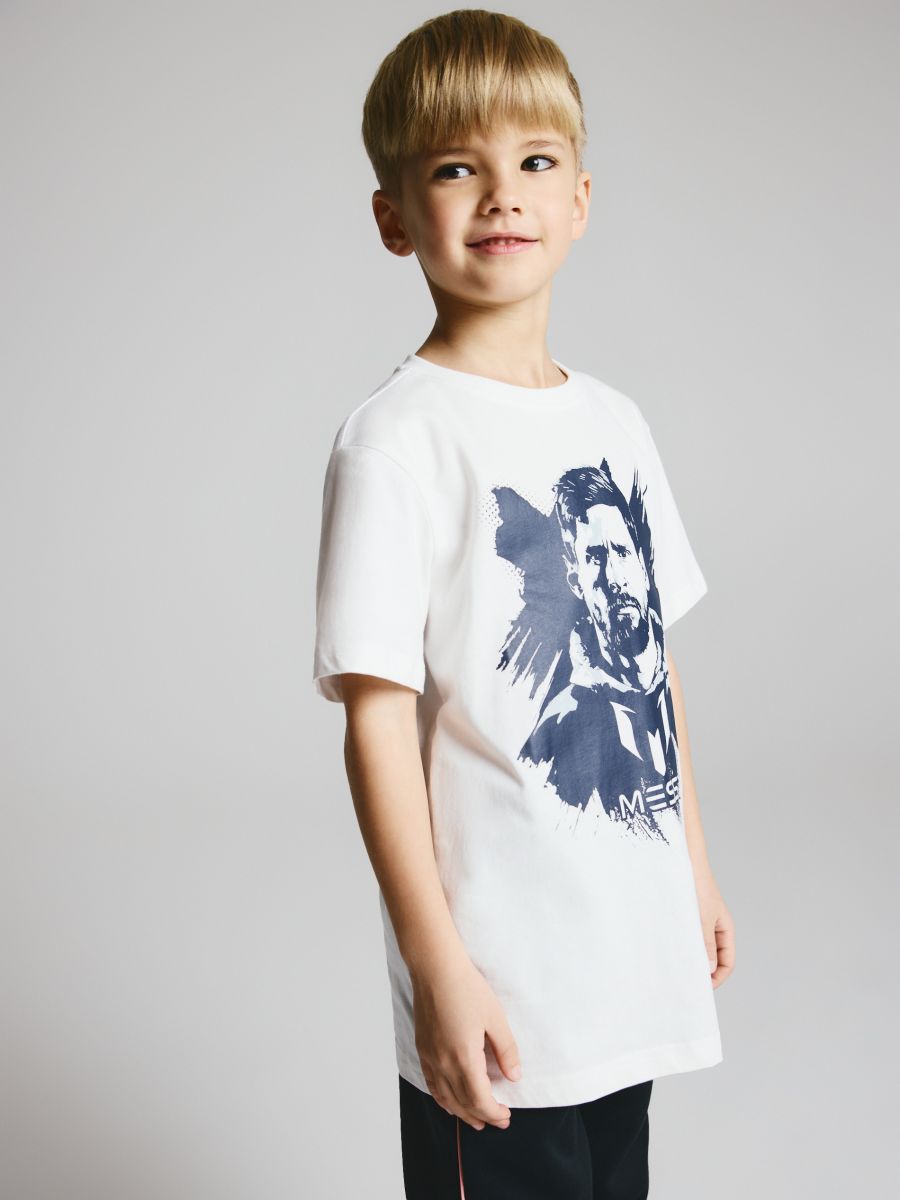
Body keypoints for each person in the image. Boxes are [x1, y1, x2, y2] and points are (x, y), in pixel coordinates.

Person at [312, 10, 735, 1198]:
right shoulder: (396, 443)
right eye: (458, 168)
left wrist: (692, 871)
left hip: (622, 967)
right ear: (396, 217)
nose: (503, 193)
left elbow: (654, 668)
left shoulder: (617, 424)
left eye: (534, 161)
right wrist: (437, 968)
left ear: (580, 199)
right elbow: (376, 724)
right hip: (500, 980)